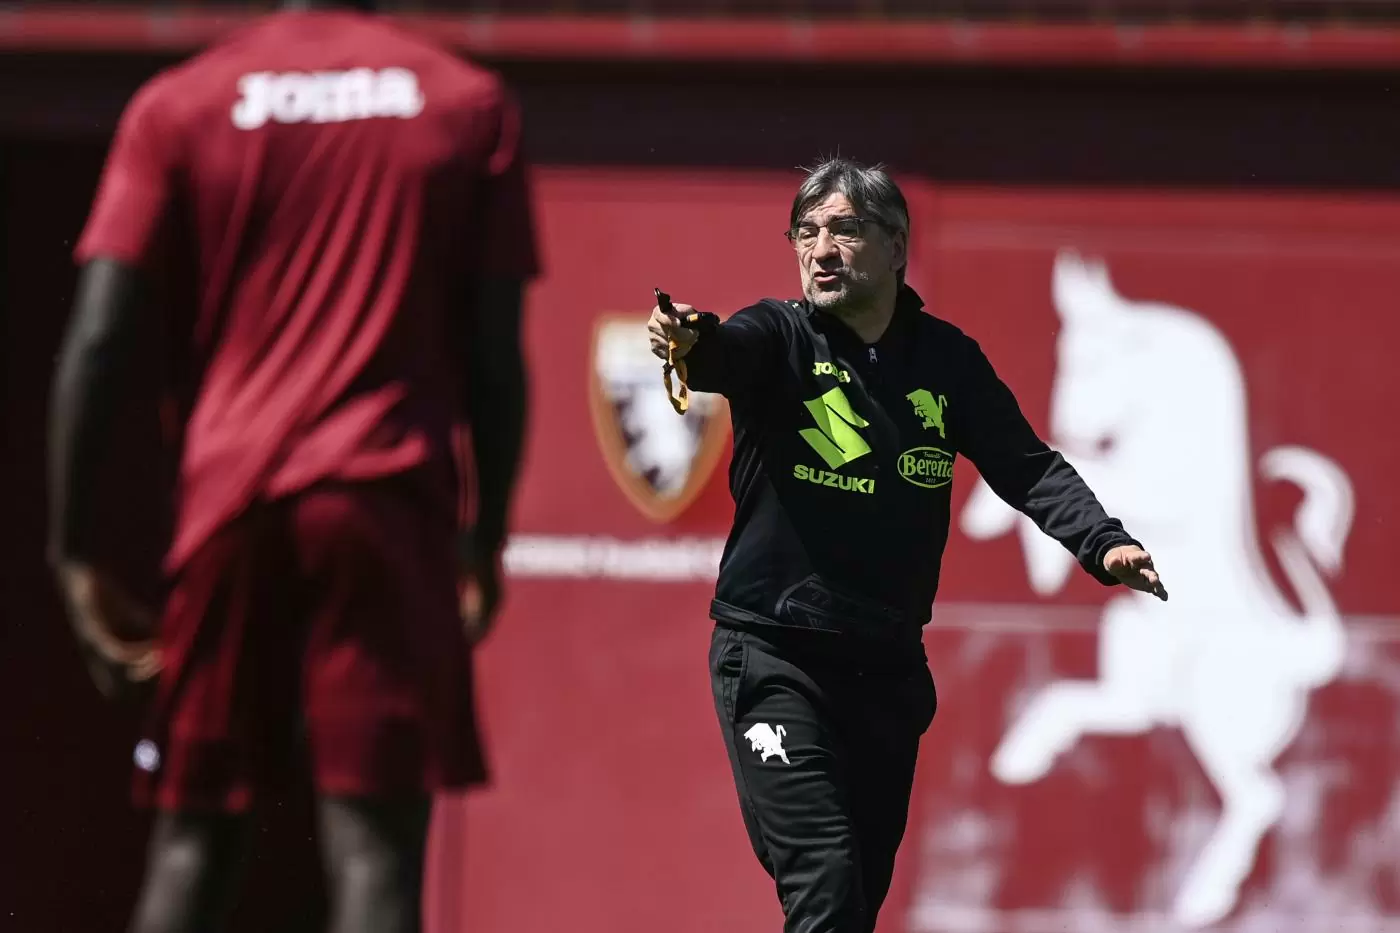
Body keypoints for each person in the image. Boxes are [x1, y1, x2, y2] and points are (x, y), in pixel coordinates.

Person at [46, 1, 537, 930]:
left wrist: (71, 551)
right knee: (374, 848)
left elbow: (100, 338)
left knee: (194, 838)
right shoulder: (464, 103)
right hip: (385, 499)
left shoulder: (182, 103)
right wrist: (487, 530)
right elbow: (494, 351)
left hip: (231, 503)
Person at [648, 157, 1167, 933]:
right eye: (807, 232)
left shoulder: (946, 361)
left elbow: (1027, 466)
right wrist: (690, 339)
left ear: (896, 247)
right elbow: (723, 351)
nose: (821, 249)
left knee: (855, 903)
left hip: (884, 668)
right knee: (823, 878)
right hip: (774, 658)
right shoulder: (780, 337)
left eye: (845, 229)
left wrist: (1101, 541)